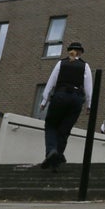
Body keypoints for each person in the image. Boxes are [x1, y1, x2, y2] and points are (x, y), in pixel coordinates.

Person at [39, 41, 92, 172]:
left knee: (51, 125)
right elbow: (89, 87)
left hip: (60, 96)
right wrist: (89, 105)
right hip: (76, 99)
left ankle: (51, 150)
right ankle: (55, 162)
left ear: (69, 51)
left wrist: (44, 100)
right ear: (80, 52)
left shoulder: (61, 63)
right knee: (64, 130)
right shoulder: (85, 66)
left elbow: (51, 81)